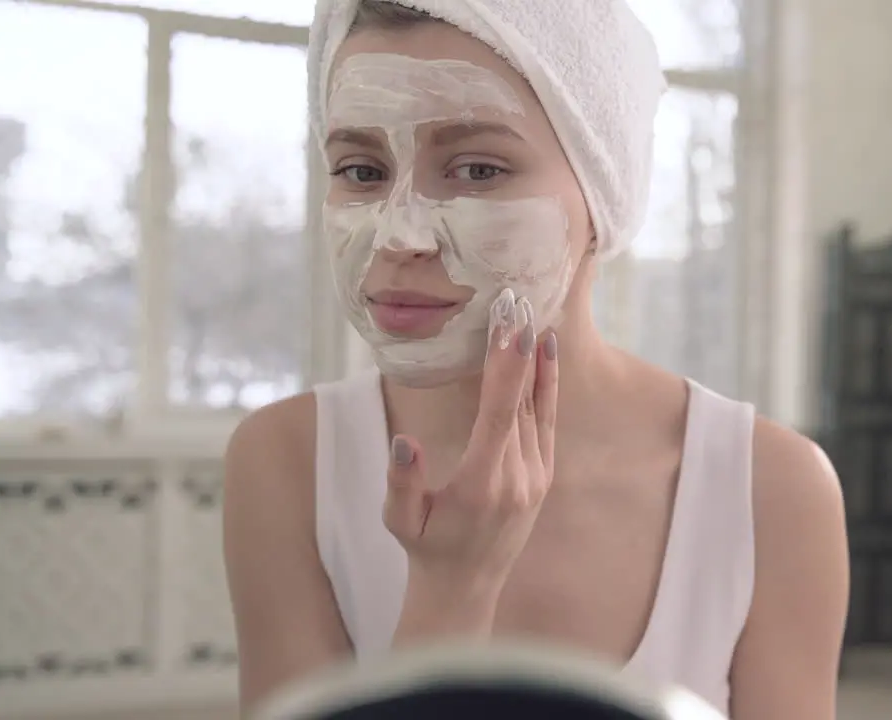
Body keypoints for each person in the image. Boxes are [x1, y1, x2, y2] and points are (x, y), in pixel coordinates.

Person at [223, 1, 849, 719]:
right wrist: (449, 591)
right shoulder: (285, 460)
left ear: (600, 194)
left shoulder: (769, 486)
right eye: (361, 170)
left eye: (478, 169)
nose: (400, 236)